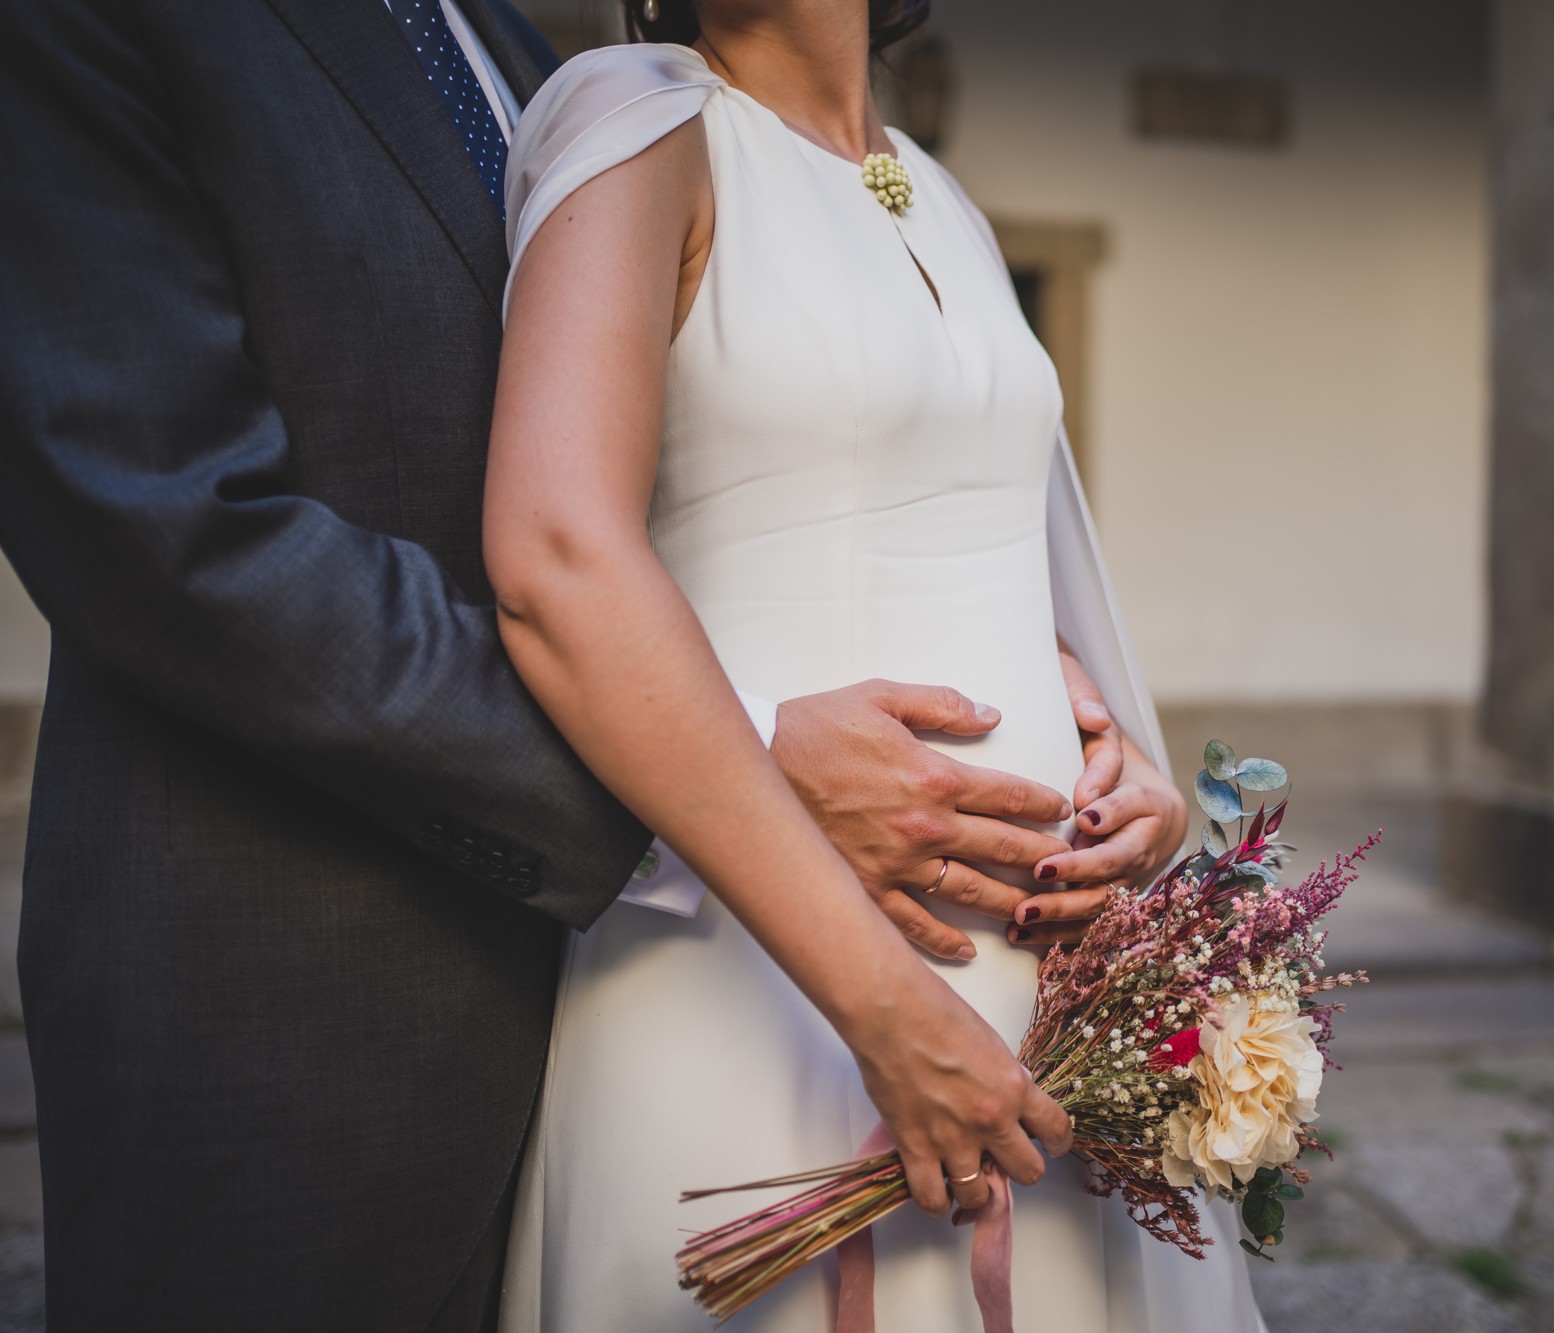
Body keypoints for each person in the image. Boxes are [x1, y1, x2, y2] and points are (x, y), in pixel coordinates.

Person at [0, 0, 1178, 1327]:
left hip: (741, 961)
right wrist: (759, 773)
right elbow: (177, 534)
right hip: (311, 989)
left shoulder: (518, 55)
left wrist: (1090, 726)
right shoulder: (623, 106)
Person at [481, 2, 1264, 1329]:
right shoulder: (639, 118)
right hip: (763, 981)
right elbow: (558, 558)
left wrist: (1110, 758)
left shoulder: (924, 186)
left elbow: (962, 526)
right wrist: (886, 1007)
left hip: (1033, 1002)